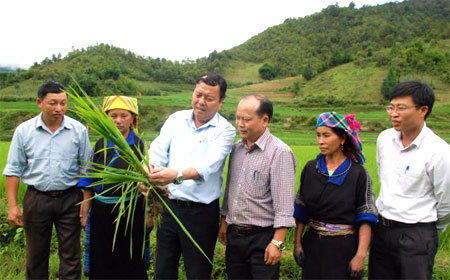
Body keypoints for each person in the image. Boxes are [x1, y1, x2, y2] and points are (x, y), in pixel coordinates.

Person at [146, 71, 236, 279]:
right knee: (163, 270)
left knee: (198, 272)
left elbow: (208, 166)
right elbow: (157, 151)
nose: (201, 101)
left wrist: (175, 175)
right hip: (169, 207)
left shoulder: (225, 130)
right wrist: (150, 172)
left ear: (221, 102)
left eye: (209, 98)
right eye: (198, 95)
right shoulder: (176, 119)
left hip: (201, 214)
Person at [3, 81, 91, 279]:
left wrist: (86, 202)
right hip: (37, 198)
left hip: (70, 199)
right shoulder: (24, 131)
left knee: (71, 255)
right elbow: (13, 169)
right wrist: (12, 206)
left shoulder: (78, 130)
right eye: (52, 103)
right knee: (36, 255)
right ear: (39, 103)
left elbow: (87, 169)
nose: (59, 108)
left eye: (63, 103)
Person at [369, 81, 450, 279]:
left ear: (423, 110)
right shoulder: (384, 139)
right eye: (391, 107)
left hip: (417, 235)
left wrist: (425, 228)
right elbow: (384, 177)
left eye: (401, 108)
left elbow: (446, 202)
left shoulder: (439, 151)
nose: (393, 114)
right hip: (382, 229)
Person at [218, 94, 296, 279]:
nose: (240, 124)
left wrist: (277, 243)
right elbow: (231, 189)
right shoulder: (236, 149)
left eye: (246, 119)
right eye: (238, 118)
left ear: (265, 120)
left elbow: (284, 205)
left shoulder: (280, 152)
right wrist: (224, 221)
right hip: (235, 236)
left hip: (263, 238)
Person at [293, 111, 377, 279]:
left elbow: (366, 215)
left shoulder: (358, 173)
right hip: (313, 246)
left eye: (326, 135)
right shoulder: (311, 169)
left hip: (344, 248)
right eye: (318, 135)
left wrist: (360, 255)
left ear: (342, 139)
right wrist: (297, 243)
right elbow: (301, 210)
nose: (320, 141)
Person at [78, 95, 149, 279]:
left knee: (130, 259)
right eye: (113, 115)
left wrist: (149, 214)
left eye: (124, 115)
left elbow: (150, 184)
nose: (118, 121)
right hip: (101, 210)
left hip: (131, 210)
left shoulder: (141, 146)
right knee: (102, 258)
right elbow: (89, 178)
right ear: (106, 117)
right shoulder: (101, 144)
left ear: (133, 118)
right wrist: (85, 209)